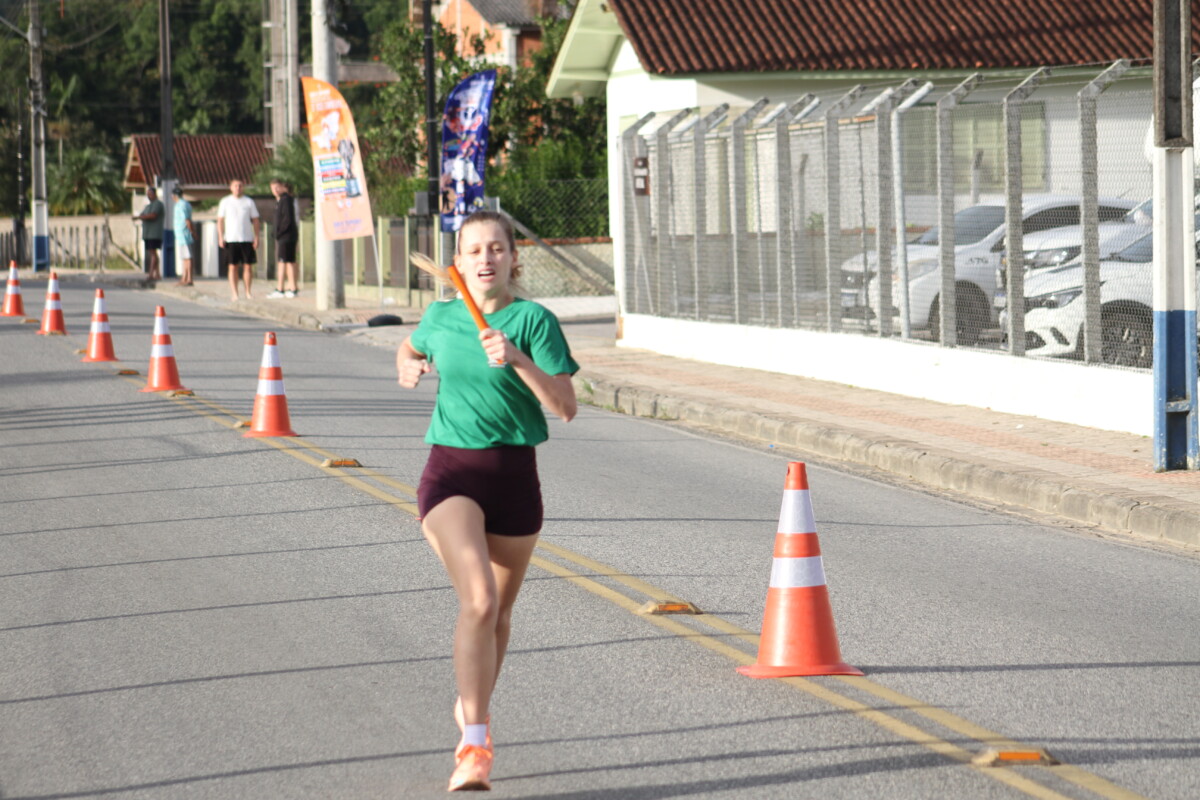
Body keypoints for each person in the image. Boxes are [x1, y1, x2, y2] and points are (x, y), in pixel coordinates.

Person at [395, 210, 578, 792]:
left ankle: (471, 705)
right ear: (459, 261)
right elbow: (408, 347)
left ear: (513, 258)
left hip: (516, 481)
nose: (486, 259)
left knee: (498, 616)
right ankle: (474, 745)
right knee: (478, 600)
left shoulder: (534, 321)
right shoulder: (441, 315)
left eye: (496, 248)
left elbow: (566, 408)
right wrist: (408, 366)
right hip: (451, 474)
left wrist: (517, 358)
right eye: (474, 250)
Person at [216, 179, 260, 301]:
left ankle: (248, 292)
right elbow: (220, 220)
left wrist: (256, 237)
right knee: (232, 267)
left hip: (246, 238)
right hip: (231, 239)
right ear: (231, 187)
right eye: (235, 186)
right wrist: (220, 236)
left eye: (240, 186)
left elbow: (256, 220)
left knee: (248, 266)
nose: (238, 188)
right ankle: (234, 293)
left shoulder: (249, 202)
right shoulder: (225, 202)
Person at [267, 179, 298, 298]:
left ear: (282, 187)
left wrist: (279, 233)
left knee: (283, 262)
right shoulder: (281, 200)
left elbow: (287, 219)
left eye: (277, 187)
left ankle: (281, 288)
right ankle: (292, 287)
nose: (275, 190)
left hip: (286, 236)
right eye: (273, 188)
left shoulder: (285, 200)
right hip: (286, 235)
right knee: (289, 261)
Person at [133, 187, 165, 281]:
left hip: (154, 233)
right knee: (153, 253)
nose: (149, 196)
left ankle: (151, 274)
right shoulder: (148, 206)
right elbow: (142, 215)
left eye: (150, 194)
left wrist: (141, 217)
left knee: (153, 253)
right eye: (148, 194)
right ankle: (157, 274)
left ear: (155, 194)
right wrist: (139, 217)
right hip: (148, 233)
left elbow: (153, 215)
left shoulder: (158, 204)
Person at [172, 185, 196, 286]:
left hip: (184, 234)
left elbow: (187, 220)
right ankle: (184, 278)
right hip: (181, 235)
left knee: (188, 257)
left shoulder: (181, 205)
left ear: (174, 196)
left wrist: (193, 232)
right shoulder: (184, 204)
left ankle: (189, 278)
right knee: (185, 257)